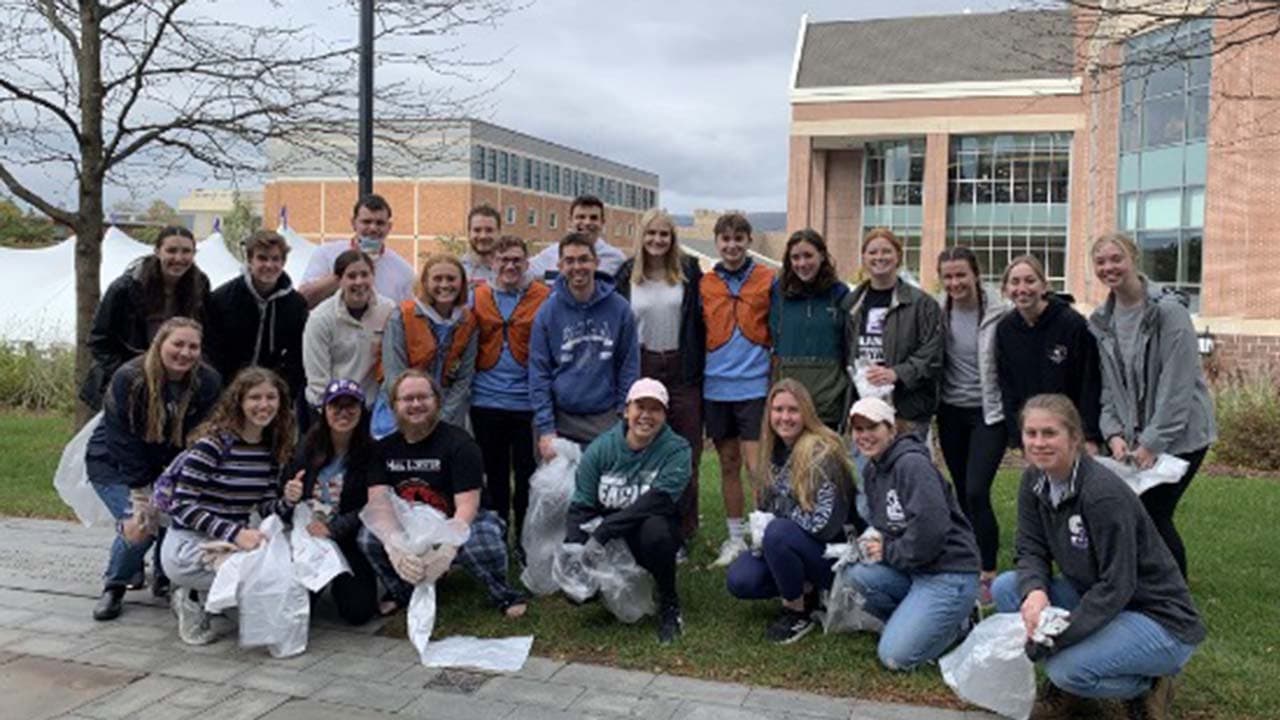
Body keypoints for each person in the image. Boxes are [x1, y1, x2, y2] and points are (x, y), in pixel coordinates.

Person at [992, 394, 1205, 719]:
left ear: (1075, 438)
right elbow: (1030, 548)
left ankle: (1149, 683)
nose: (1038, 443)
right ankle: (1089, 672)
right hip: (1098, 596)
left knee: (1065, 671)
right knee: (1008, 589)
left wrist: (1055, 638)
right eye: (1031, 433)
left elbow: (1118, 586)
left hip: (1156, 616)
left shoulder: (1101, 495)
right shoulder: (1034, 480)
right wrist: (1035, 591)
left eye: (1050, 433)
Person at [1087, 233, 1216, 579]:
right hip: (1135, 437)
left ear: (1133, 259)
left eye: (1116, 258)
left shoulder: (1168, 313)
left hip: (1183, 434)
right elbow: (1109, 388)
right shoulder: (1102, 321)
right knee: (1136, 514)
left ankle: (1176, 596)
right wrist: (1113, 433)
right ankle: (1144, 585)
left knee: (1153, 514)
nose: (1108, 267)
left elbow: (1178, 386)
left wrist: (1152, 444)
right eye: (1100, 262)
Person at [357, 370, 528, 617]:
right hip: (410, 522)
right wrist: (395, 546)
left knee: (484, 540)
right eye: (407, 399)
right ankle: (401, 590)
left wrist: (447, 546)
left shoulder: (460, 443)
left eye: (423, 397)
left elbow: (467, 506)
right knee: (368, 537)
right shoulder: (382, 449)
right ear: (394, 406)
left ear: (436, 401)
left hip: (460, 518)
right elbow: (378, 504)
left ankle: (504, 594)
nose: (416, 404)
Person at [85, 317, 221, 621]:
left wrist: (182, 480)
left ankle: (167, 578)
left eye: (193, 346)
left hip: (168, 463)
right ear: (160, 344)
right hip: (114, 461)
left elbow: (205, 433)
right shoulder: (129, 378)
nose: (184, 353)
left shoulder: (207, 382)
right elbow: (122, 439)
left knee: (175, 518)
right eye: (178, 344)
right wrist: (140, 492)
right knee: (142, 523)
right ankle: (115, 585)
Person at [160, 367, 303, 645]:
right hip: (191, 544)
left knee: (271, 591)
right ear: (239, 401)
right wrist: (235, 533)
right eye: (255, 397)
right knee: (253, 584)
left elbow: (264, 507)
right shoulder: (212, 445)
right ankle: (187, 596)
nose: (264, 405)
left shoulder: (270, 450)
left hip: (235, 544)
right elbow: (181, 505)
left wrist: (287, 500)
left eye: (271, 397)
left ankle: (212, 598)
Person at [842, 397, 981, 671]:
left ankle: (959, 624)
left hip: (947, 572)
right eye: (858, 429)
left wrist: (889, 551)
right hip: (916, 568)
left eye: (873, 427)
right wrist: (872, 543)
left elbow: (931, 532)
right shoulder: (873, 470)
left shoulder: (912, 465)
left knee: (895, 657)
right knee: (855, 575)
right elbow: (888, 524)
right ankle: (922, 621)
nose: (864, 436)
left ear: (892, 430)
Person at [726, 379, 853, 644]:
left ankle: (797, 612)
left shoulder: (822, 451)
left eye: (793, 410)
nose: (785, 417)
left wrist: (778, 527)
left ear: (806, 412)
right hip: (789, 543)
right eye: (778, 410)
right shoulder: (770, 452)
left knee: (779, 532)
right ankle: (805, 588)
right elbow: (764, 509)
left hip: (833, 553)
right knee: (741, 579)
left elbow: (826, 525)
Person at [565, 378, 691, 643]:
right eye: (639, 407)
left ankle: (669, 602)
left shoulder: (677, 450)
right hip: (606, 535)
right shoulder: (601, 449)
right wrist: (576, 555)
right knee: (577, 593)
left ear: (665, 415)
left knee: (657, 531)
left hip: (645, 532)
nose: (646, 415)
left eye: (655, 409)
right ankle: (602, 589)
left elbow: (659, 501)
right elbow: (582, 505)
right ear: (626, 410)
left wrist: (604, 532)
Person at [614, 209, 706, 548]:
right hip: (643, 366)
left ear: (673, 238)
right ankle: (643, 524)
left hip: (681, 367)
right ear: (641, 236)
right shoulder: (625, 275)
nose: (657, 240)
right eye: (651, 234)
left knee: (686, 450)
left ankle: (683, 530)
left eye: (664, 234)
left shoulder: (689, 272)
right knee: (642, 449)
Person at [934, 246, 1010, 606]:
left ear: (976, 274)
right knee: (962, 493)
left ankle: (988, 573)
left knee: (978, 490)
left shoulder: (999, 312)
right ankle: (967, 560)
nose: (955, 283)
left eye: (961, 275)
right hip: (950, 411)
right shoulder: (937, 310)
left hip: (988, 413)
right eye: (948, 276)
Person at [701, 213, 774, 567]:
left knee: (756, 465)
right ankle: (734, 539)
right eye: (725, 239)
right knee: (728, 463)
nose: (732, 246)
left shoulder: (766, 279)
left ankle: (763, 536)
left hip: (755, 386)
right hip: (716, 387)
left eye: (739, 238)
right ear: (717, 242)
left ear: (749, 241)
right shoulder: (705, 283)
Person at [471, 236, 550, 551]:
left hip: (526, 401)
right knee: (495, 474)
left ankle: (526, 540)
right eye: (503, 259)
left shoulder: (543, 296)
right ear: (493, 263)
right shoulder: (476, 297)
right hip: (485, 399)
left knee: (528, 475)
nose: (510, 265)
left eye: (517, 259)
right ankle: (499, 536)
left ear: (527, 264)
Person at [530, 232, 640, 455]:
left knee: (604, 486)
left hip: (604, 417)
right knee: (557, 489)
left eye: (583, 259)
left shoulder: (619, 308)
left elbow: (628, 365)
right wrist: (546, 428)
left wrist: (623, 415)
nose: (577, 267)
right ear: (560, 265)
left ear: (596, 263)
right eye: (569, 261)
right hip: (560, 419)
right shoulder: (547, 312)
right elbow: (539, 372)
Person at [81, 226, 210, 411]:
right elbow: (99, 340)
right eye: (171, 250)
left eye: (186, 251)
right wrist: (129, 376)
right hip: (125, 381)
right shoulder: (125, 288)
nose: (179, 258)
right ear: (157, 251)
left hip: (175, 381)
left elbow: (204, 332)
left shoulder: (199, 285)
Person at [286, 379, 379, 625]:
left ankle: (341, 582)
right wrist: (289, 495)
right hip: (307, 537)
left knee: (358, 612)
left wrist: (334, 529)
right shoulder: (306, 448)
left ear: (362, 411)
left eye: (351, 406)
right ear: (324, 410)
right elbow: (283, 495)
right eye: (336, 406)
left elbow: (374, 505)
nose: (343, 413)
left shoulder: (372, 453)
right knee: (297, 608)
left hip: (346, 537)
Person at [841, 228, 944, 438]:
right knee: (866, 470)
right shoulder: (851, 304)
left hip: (907, 409)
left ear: (898, 256)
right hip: (865, 409)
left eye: (886, 251)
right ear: (864, 257)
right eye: (872, 252)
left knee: (907, 467)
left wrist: (897, 373)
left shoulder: (922, 304)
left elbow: (932, 355)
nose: (879, 257)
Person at [995, 254, 1102, 450]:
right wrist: (1019, 438)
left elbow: (1090, 383)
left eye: (1030, 281)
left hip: (1070, 433)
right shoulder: (1005, 329)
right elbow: (1008, 388)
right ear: (1005, 289)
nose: (1022, 289)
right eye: (1015, 282)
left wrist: (1089, 436)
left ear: (1044, 286)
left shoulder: (1072, 324)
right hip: (1034, 435)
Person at [204, 229, 309, 407]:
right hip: (226, 393)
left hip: (270, 397)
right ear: (250, 260)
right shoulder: (222, 299)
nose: (269, 265)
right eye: (262, 258)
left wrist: (284, 393)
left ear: (283, 262)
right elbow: (211, 350)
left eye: (275, 259)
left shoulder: (295, 305)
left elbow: (297, 357)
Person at [381, 253, 477, 428]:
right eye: (437, 279)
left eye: (451, 279)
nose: (445, 285)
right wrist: (415, 415)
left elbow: (464, 378)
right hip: (405, 410)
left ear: (462, 283)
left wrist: (442, 417)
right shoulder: (401, 317)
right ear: (425, 282)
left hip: (448, 413)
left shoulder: (468, 321)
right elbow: (393, 374)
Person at [770, 229, 849, 429]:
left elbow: (848, 345)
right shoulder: (778, 294)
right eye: (795, 257)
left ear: (822, 255)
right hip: (788, 400)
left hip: (828, 400)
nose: (802, 263)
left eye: (808, 256)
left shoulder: (839, 294)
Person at [302, 250, 394, 409]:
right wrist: (330, 413)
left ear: (373, 276)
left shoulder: (389, 310)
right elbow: (317, 379)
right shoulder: (321, 318)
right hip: (332, 407)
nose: (359, 282)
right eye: (351, 276)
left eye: (365, 275)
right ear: (339, 280)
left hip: (372, 409)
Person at [298, 194, 415, 307]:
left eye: (380, 223)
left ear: (389, 227)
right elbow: (302, 300)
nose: (373, 228)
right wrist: (340, 274)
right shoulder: (326, 253)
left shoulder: (404, 271)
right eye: (366, 222)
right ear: (353, 223)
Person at [527, 195, 626, 281]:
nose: (587, 222)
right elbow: (521, 273)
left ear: (602, 222)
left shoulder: (616, 258)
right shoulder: (551, 254)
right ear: (570, 221)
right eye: (581, 217)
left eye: (593, 218)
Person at [460, 204, 502, 299]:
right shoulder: (457, 270)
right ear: (469, 232)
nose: (483, 236)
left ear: (499, 233)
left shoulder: (511, 271)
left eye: (489, 230)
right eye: (477, 230)